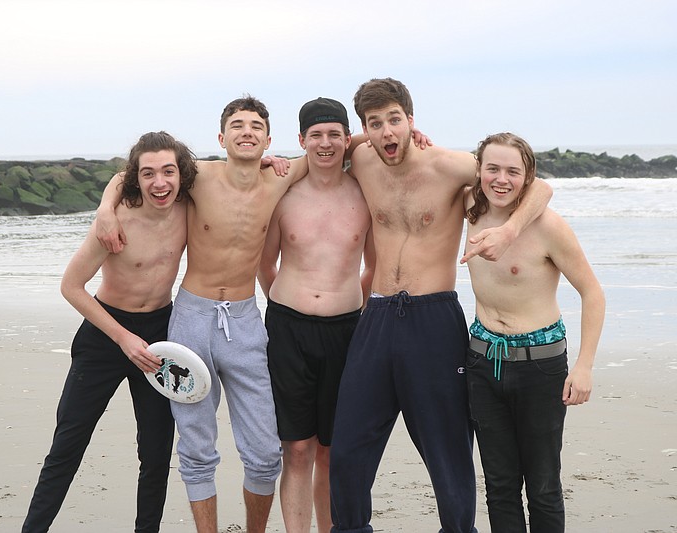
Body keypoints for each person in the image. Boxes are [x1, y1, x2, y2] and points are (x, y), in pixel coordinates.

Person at [328, 78, 554, 533]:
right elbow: (328, 149)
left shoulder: (451, 167)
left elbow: (538, 187)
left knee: (447, 447)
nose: (387, 132)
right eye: (376, 124)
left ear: (412, 121)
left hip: (433, 319)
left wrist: (507, 233)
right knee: (349, 445)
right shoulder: (364, 159)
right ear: (365, 129)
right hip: (375, 316)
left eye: (395, 120)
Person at [94, 96, 308, 533]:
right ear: (221, 137)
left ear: (268, 138)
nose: (246, 131)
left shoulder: (281, 178)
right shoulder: (198, 177)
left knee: (266, 453)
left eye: (255, 126)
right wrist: (104, 209)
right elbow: (128, 174)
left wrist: (405, 134)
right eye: (237, 125)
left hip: (246, 322)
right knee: (195, 445)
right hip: (192, 320)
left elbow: (336, 146)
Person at [22, 131, 197, 533]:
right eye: (148, 173)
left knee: (155, 452)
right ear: (136, 177)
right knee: (67, 445)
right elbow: (71, 286)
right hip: (105, 334)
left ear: (181, 174)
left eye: (168, 171)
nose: (160, 182)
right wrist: (122, 337)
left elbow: (231, 176)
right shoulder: (116, 221)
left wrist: (269, 161)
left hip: (159, 334)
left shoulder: (188, 207)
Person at [463, 132, 605, 533]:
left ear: (527, 177)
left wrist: (584, 366)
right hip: (482, 364)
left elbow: (593, 293)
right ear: (479, 171)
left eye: (513, 171)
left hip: (540, 368)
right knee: (499, 485)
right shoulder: (469, 207)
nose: (501, 179)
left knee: (542, 486)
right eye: (492, 168)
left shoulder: (547, 227)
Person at [257, 97, 375, 533]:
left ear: (347, 138)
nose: (325, 144)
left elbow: (375, 265)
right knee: (298, 448)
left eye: (334, 135)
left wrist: (350, 301)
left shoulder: (364, 194)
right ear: (302, 140)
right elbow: (264, 262)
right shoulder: (284, 194)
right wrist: (287, 302)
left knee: (330, 448)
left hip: (346, 331)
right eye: (316, 135)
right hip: (288, 329)